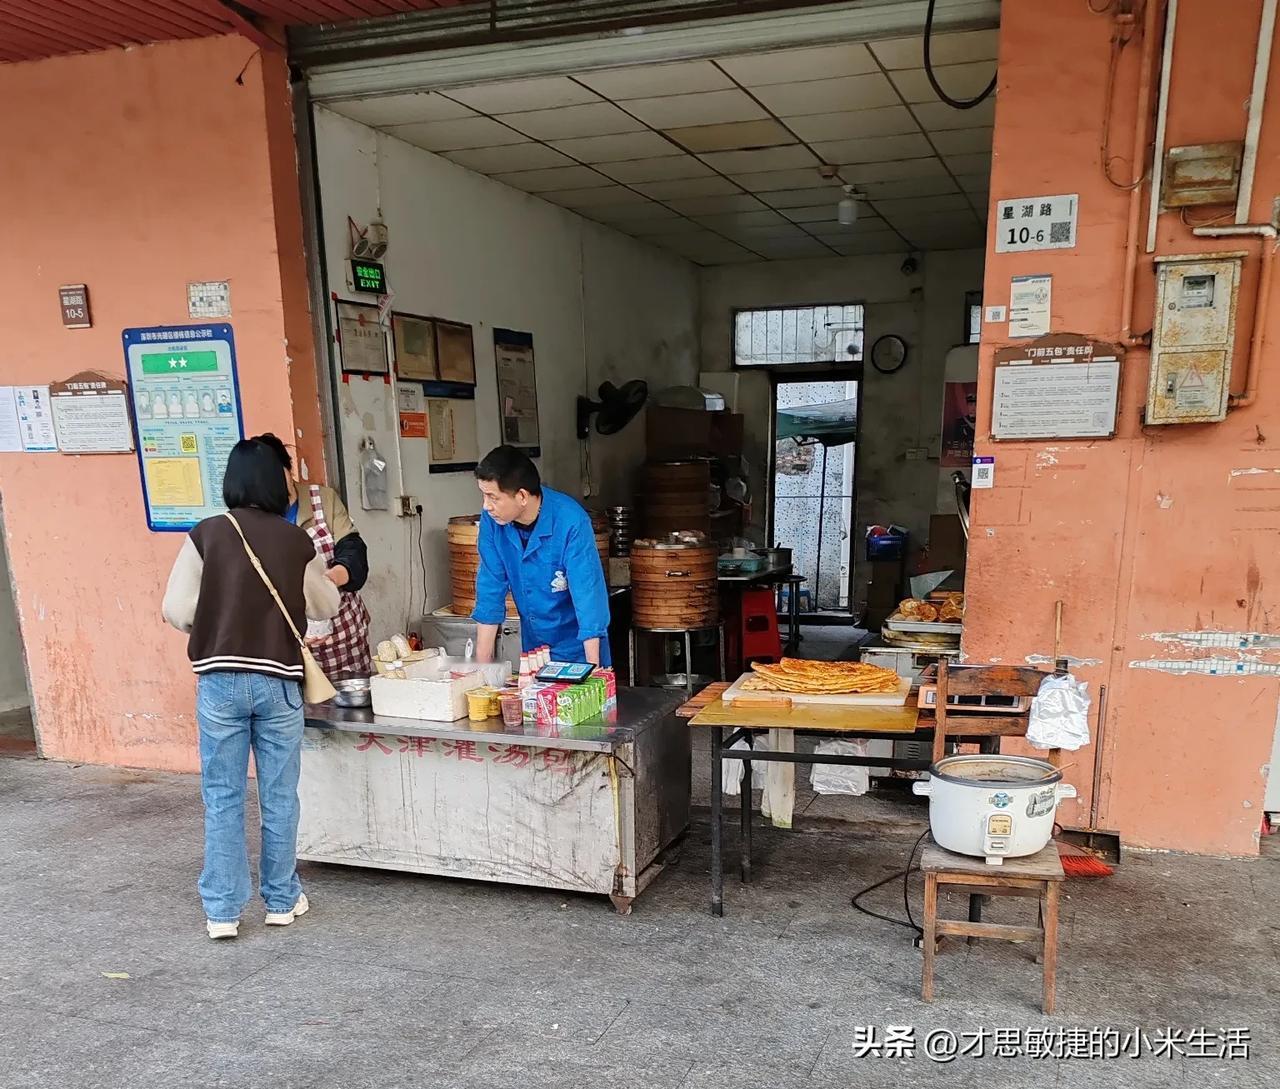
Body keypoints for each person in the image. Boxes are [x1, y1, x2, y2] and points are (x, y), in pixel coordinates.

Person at [162, 438, 341, 940]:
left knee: (222, 796)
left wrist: (221, 618)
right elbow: (326, 604)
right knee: (279, 794)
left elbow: (176, 610)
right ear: (274, 483)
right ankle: (282, 899)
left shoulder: (205, 535)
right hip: (278, 680)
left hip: (218, 682)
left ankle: (221, 912)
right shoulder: (295, 542)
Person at [472, 445, 611, 666]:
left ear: (522, 496)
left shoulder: (570, 521)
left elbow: (588, 597)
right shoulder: (493, 521)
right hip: (535, 652)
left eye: (493, 497)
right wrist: (481, 669)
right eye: (483, 496)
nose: (486, 506)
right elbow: (490, 587)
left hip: (579, 649)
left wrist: (593, 672)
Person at [253, 433, 372, 681]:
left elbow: (353, 549)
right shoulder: (253, 517)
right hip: (284, 646)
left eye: (278, 472)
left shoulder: (323, 499)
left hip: (340, 637)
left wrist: (329, 581)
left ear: (290, 469)